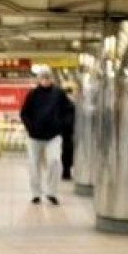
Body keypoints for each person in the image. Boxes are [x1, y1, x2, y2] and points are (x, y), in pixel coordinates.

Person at [20, 65, 73, 205]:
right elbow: (24, 112)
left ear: (51, 78)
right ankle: (36, 193)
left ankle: (51, 192)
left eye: (47, 77)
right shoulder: (32, 94)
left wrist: (61, 125)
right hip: (34, 137)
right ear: (38, 79)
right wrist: (30, 127)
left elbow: (69, 111)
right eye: (42, 77)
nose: (45, 80)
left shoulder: (59, 94)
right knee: (33, 165)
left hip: (53, 136)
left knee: (55, 161)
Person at [60, 85, 76, 180]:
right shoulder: (70, 105)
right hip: (68, 132)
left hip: (67, 132)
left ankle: (66, 170)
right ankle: (66, 170)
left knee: (67, 151)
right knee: (67, 151)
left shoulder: (64, 104)